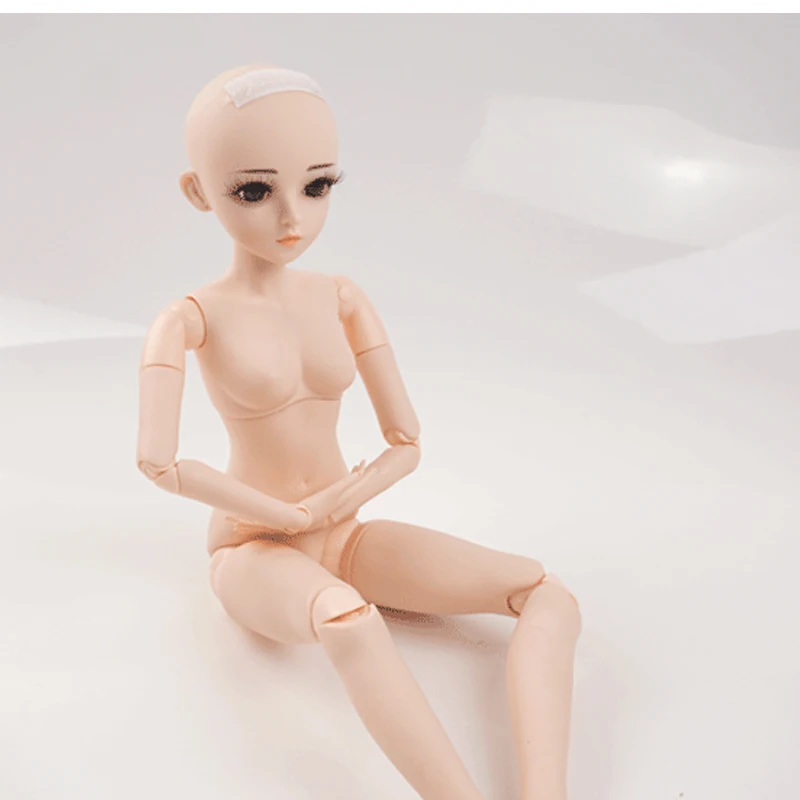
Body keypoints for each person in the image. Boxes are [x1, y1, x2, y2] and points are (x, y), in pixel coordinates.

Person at [136, 64, 582, 800]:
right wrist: (282, 514)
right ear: (198, 192)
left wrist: (341, 500)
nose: (293, 217)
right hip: (251, 549)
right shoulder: (187, 319)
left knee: (544, 592)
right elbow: (158, 461)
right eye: (254, 191)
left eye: (317, 185)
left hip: (345, 534)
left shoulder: (342, 297)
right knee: (349, 620)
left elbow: (405, 440)